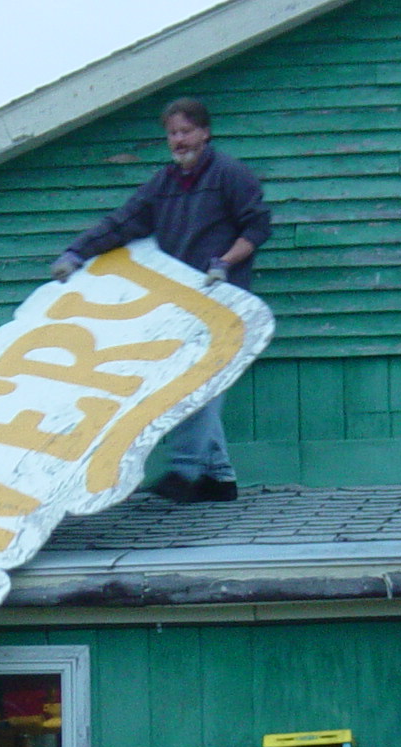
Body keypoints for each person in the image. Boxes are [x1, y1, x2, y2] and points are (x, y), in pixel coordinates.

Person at [51, 97, 272, 503]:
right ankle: (218, 478)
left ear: (205, 132)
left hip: (224, 302)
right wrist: (77, 253)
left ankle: (185, 472)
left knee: (196, 383)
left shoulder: (229, 175)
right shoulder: (165, 185)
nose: (179, 140)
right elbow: (124, 222)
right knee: (197, 383)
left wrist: (224, 262)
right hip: (182, 305)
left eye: (186, 131)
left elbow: (257, 226)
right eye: (172, 133)